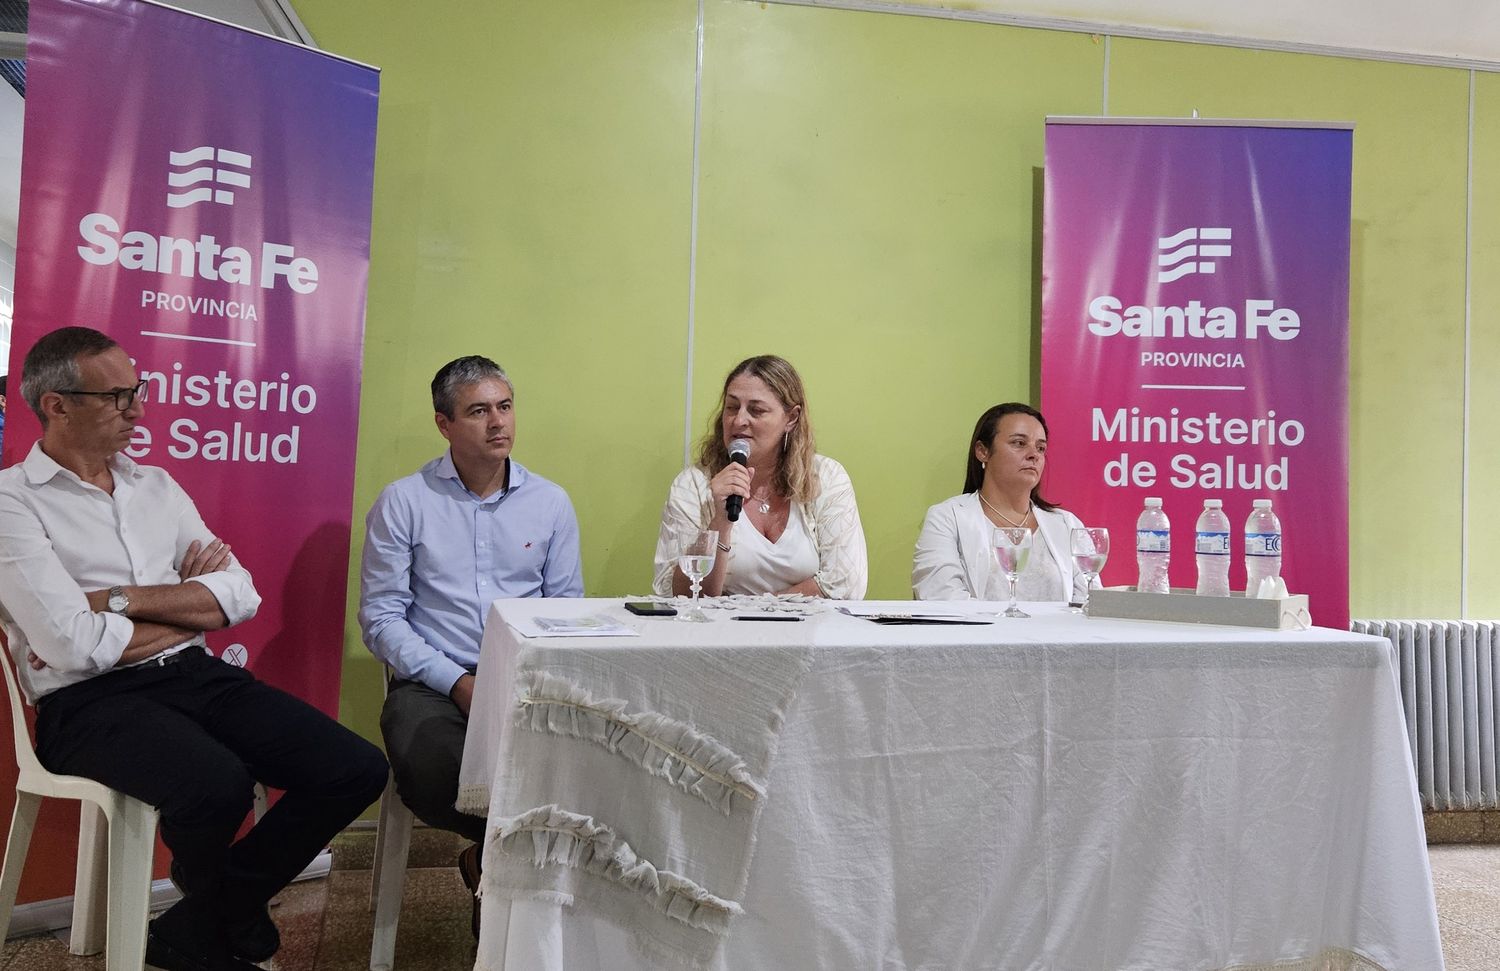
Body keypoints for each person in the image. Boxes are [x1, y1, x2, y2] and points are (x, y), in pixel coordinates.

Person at [0, 327, 388, 971]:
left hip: (192, 676)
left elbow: (240, 594)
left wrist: (117, 599)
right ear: (56, 405)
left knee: (355, 768)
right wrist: (186, 607)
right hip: (84, 705)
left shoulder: (155, 485)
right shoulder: (11, 501)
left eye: (138, 390)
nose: (138, 410)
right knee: (216, 785)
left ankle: (212, 908)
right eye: (118, 397)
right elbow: (70, 646)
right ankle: (212, 924)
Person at [359, 355, 583, 933]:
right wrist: (457, 682)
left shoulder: (550, 502)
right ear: (445, 424)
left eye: (504, 407)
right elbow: (382, 619)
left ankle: (505, 886)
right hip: (434, 680)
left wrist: (525, 678)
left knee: (592, 761)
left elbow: (564, 610)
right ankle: (504, 875)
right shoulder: (404, 501)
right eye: (478, 411)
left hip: (528, 675)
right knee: (438, 771)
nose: (497, 423)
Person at [653, 354, 867, 599]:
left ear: (791, 418)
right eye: (732, 407)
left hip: (808, 633)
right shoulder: (692, 485)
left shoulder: (827, 478)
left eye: (756, 410)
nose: (739, 420)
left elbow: (846, 585)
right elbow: (678, 594)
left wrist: (759, 612)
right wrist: (721, 522)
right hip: (719, 633)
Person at [912, 402, 1090, 602]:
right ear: (982, 451)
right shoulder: (947, 518)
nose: (1034, 455)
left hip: (1061, 634)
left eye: (1041, 448)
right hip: (978, 634)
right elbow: (940, 596)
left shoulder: (1068, 525)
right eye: (1019, 443)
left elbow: (1090, 602)